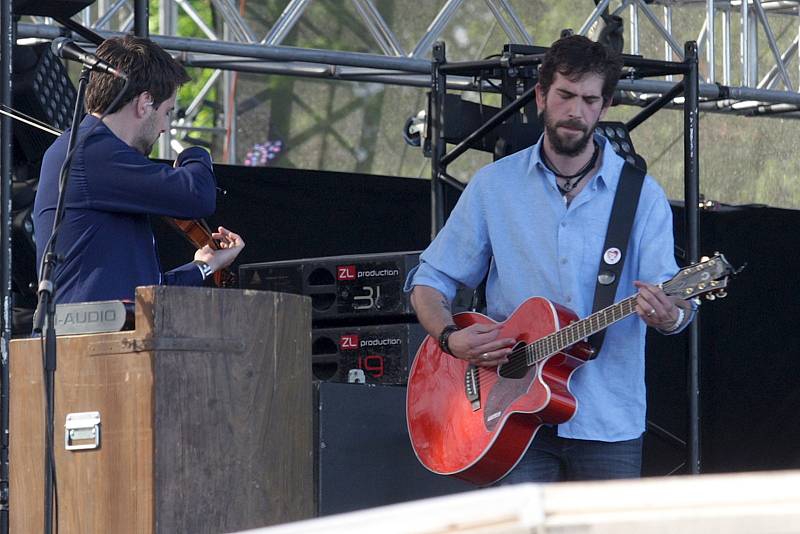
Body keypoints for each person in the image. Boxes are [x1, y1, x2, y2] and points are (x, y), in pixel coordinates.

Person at [405, 35, 694, 483]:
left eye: (589, 100)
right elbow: (430, 280)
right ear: (541, 96)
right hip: (507, 415)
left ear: (604, 105)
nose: (576, 111)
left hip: (606, 419)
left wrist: (670, 314)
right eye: (565, 95)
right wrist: (449, 339)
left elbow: (674, 300)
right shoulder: (494, 186)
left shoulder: (641, 196)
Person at [34, 35, 244, 305]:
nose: (165, 127)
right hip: (84, 341)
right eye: (167, 112)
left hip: (109, 334)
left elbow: (146, 291)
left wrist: (205, 265)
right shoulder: (92, 152)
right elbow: (198, 195)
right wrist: (196, 154)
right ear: (145, 102)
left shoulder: (101, 155)